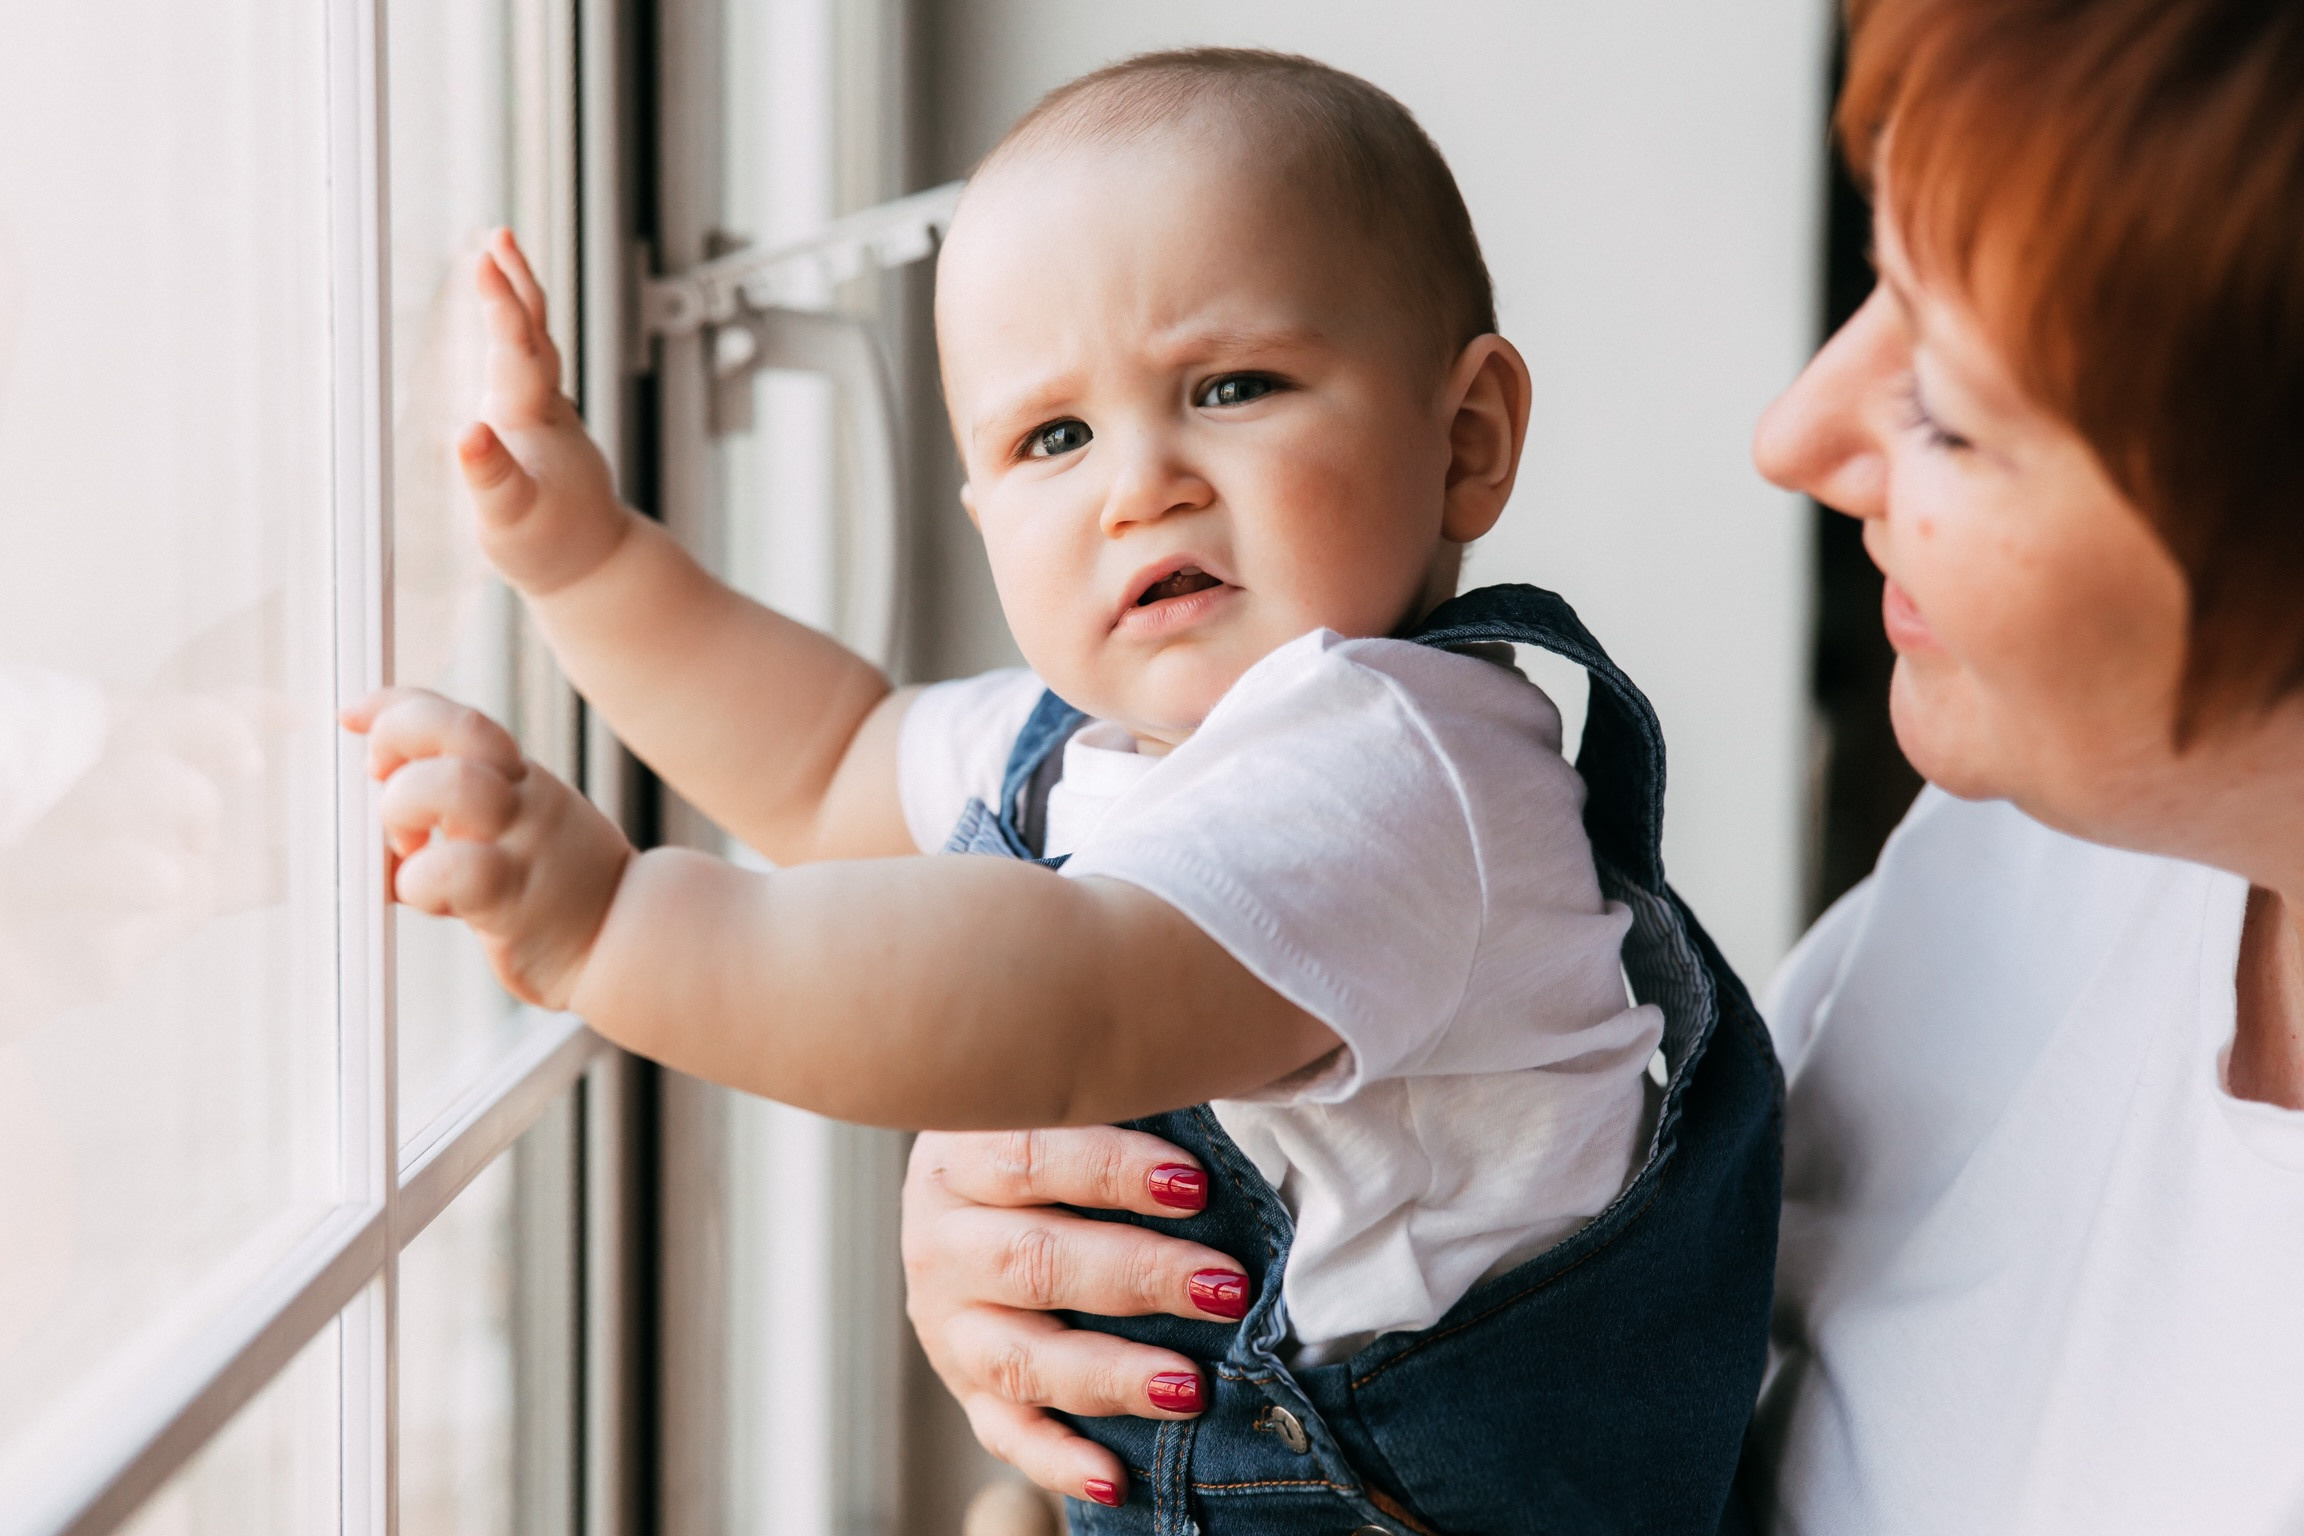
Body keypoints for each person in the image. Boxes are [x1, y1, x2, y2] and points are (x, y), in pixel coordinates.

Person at [898, 1, 2304, 1531]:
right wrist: (1036, 1229)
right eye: (1878, 282)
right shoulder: (2034, 855)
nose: (1793, 434)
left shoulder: (1420, 774)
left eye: (1954, 412)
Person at [345, 48, 1781, 1534]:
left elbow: (1067, 1001)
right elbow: (827, 766)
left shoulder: (1401, 765)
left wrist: (618, 927)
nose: (1137, 484)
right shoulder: (1091, 746)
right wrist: (581, 559)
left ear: (1464, 440)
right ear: (983, 509)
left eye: (1231, 387)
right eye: (1053, 437)